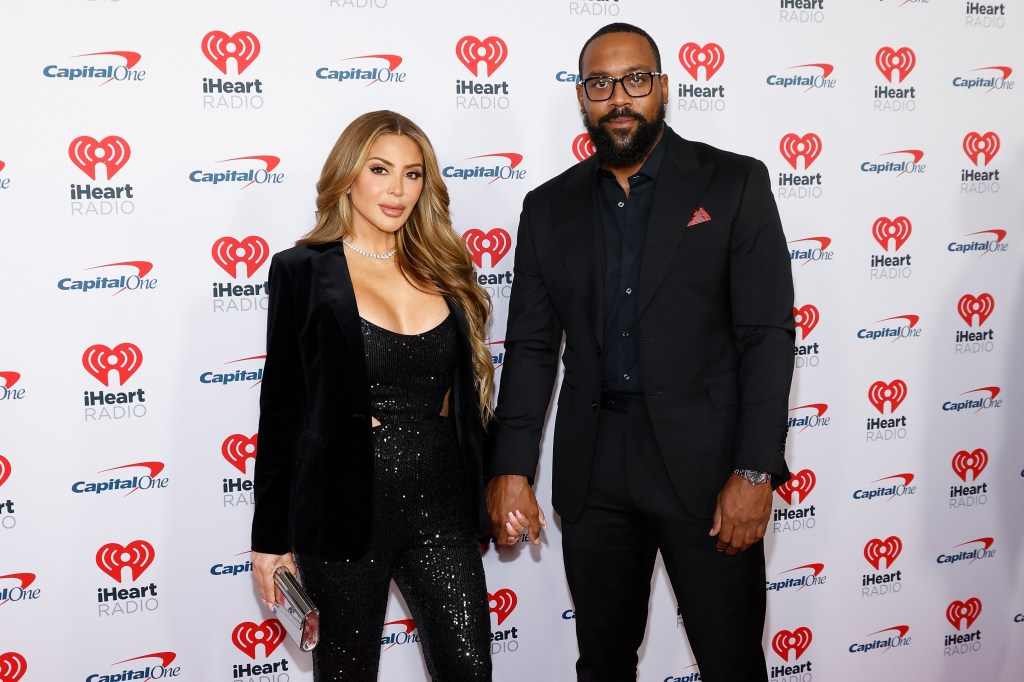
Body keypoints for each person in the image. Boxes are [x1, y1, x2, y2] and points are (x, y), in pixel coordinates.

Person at [486, 23, 795, 682]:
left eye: (634, 81)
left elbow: (766, 335)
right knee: (603, 663)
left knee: (731, 662)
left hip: (711, 472)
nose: (618, 98)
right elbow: (534, 347)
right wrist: (510, 464)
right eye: (601, 84)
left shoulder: (733, 184)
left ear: (661, 89)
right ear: (583, 98)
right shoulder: (547, 208)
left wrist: (756, 471)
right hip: (595, 473)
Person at [250, 110, 494, 681]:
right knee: (345, 672)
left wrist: (504, 480)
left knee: (470, 667)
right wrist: (270, 541)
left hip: (442, 501)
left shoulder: (446, 267)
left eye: (413, 174)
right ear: (349, 174)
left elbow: (471, 401)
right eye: (380, 169)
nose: (396, 189)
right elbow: (281, 409)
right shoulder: (302, 271)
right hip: (341, 506)